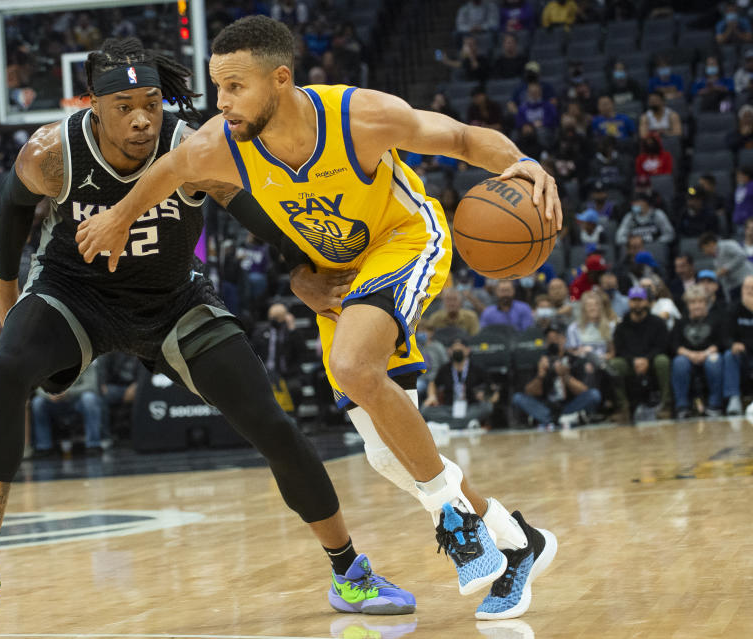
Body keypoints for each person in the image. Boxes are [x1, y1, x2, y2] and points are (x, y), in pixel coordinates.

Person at [0, 35, 418, 627]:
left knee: (271, 423)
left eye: (151, 102)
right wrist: (6, 298)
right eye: (125, 107)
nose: (143, 118)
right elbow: (12, 208)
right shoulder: (53, 151)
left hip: (174, 299)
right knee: (9, 366)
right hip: (76, 293)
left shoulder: (192, 144)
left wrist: (298, 269)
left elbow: (249, 205)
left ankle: (349, 571)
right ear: (92, 106)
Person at [75, 18, 560, 620]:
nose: (220, 102)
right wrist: (120, 217)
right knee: (387, 453)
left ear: (280, 79)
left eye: (234, 86)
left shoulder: (361, 118)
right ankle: (518, 541)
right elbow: (166, 175)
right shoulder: (219, 143)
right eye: (216, 87)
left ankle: (451, 516)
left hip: (406, 240)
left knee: (354, 366)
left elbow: (459, 138)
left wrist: (522, 162)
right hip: (343, 275)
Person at [513, 322, 602, 429]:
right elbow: (529, 391)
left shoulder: (576, 360)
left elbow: (583, 390)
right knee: (518, 398)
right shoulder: (539, 361)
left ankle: (555, 419)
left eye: (556, 338)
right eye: (549, 339)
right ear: (545, 342)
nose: (553, 342)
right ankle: (557, 419)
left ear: (564, 339)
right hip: (545, 406)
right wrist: (540, 375)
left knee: (594, 395)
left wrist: (566, 376)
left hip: (569, 405)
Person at [609, 286, 671, 421]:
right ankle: (622, 407)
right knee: (614, 364)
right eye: (633, 300)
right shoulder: (622, 325)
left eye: (640, 300)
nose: (637, 303)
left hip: (652, 361)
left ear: (647, 302)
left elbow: (662, 346)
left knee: (663, 360)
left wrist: (647, 359)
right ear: (629, 302)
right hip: (630, 362)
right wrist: (634, 361)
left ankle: (666, 405)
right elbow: (619, 349)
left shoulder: (657, 322)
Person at [669, 285, 724, 419]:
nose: (697, 305)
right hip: (688, 356)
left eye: (700, 302)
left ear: (706, 303)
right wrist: (690, 354)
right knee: (679, 362)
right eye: (693, 302)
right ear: (687, 305)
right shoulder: (681, 322)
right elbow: (673, 345)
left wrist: (705, 353)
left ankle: (714, 404)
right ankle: (682, 406)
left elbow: (721, 342)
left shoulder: (716, 319)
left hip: (710, 354)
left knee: (714, 361)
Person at [420, 336, 494, 429]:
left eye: (460, 348)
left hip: (470, 407)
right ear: (449, 351)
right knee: (425, 410)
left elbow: (491, 387)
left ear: (468, 350)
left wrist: (485, 395)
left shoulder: (477, 368)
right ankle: (467, 424)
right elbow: (433, 383)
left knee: (487, 407)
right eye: (454, 348)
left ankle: (448, 425)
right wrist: (432, 396)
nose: (457, 350)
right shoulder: (444, 369)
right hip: (449, 408)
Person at [722, 274, 753, 415]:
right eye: (747, 288)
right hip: (743, 354)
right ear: (741, 290)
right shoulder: (733, 309)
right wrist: (733, 344)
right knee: (730, 355)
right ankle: (733, 398)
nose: (750, 291)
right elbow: (725, 336)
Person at [699, 231, 753, 302]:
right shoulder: (715, 260)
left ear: (710, 243)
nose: (705, 253)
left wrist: (726, 269)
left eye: (704, 249)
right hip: (734, 287)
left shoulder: (727, 244)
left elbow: (741, 255)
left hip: (747, 280)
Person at [566, 290, 614, 364]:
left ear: (600, 307)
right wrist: (582, 352)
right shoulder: (574, 328)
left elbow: (612, 353)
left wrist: (601, 358)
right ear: (583, 309)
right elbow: (572, 353)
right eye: (589, 305)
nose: (593, 308)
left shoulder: (610, 326)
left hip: (603, 362)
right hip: (581, 362)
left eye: (596, 305)